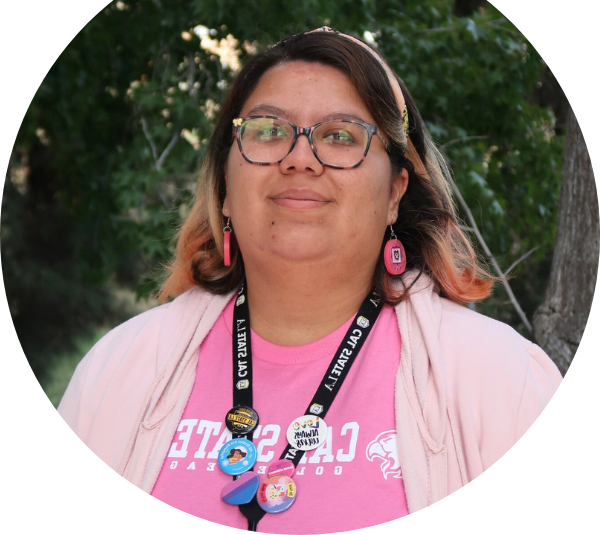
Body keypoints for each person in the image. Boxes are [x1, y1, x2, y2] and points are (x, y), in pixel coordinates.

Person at [57, 28, 562, 532]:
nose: (299, 158)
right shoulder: (114, 374)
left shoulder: (502, 382)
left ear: (395, 192)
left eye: (340, 135)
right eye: (268, 130)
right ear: (225, 185)